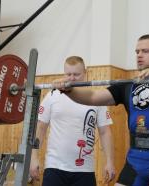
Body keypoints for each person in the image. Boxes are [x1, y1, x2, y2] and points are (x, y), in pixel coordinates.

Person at [55, 34, 149, 186]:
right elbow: (93, 96)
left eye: (145, 51)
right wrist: (68, 90)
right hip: (135, 158)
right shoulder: (128, 85)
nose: (139, 55)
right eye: (137, 52)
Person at [29, 56, 115, 186]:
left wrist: (109, 161)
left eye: (76, 74)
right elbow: (40, 128)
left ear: (85, 73)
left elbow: (105, 132)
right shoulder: (52, 95)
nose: (72, 78)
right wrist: (33, 157)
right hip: (54, 167)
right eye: (68, 74)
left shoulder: (96, 98)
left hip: (84, 170)